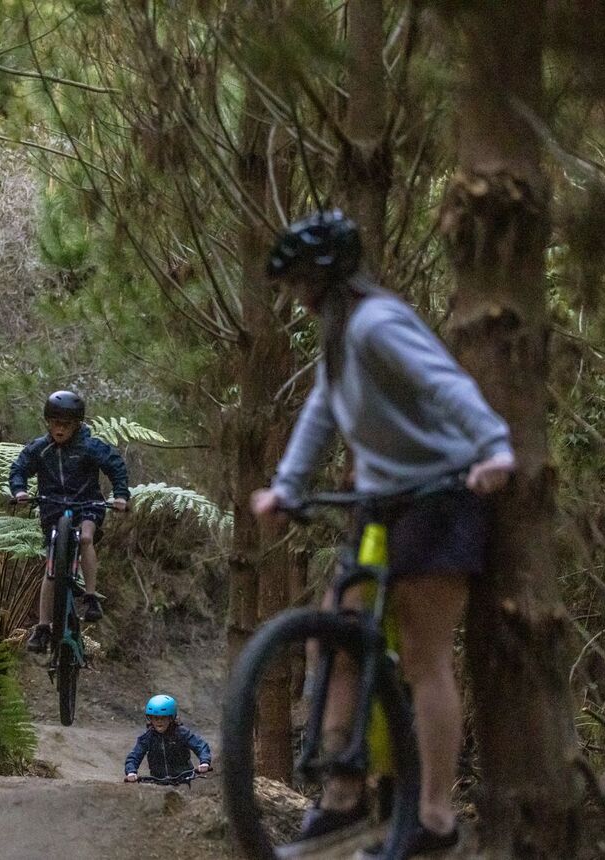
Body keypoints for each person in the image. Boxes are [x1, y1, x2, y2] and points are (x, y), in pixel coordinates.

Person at [250, 211, 515, 859]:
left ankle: (433, 819)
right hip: (379, 503)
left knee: (424, 659)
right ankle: (343, 800)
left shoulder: (377, 322)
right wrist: (287, 484)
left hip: (438, 498)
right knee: (334, 639)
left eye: (300, 280)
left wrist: (494, 448)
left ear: (324, 275)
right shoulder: (340, 334)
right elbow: (322, 408)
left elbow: (445, 382)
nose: (295, 293)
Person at [9, 390, 129, 652]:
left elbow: (116, 466)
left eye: (65, 424)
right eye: (54, 423)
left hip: (87, 505)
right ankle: (43, 627)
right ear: (47, 422)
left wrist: (120, 495)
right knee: (51, 567)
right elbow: (19, 468)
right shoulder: (41, 449)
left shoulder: (90, 447)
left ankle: (91, 596)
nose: (59, 429)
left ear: (77, 425)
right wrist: (19, 490)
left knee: (86, 537)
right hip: (53, 510)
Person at [124, 694, 211, 782]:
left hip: (184, 780)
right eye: (155, 718)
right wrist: (131, 772)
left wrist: (204, 762)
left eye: (163, 718)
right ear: (150, 719)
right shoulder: (148, 737)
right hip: (158, 782)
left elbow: (200, 746)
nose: (159, 721)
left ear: (171, 718)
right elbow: (134, 756)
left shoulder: (181, 733)